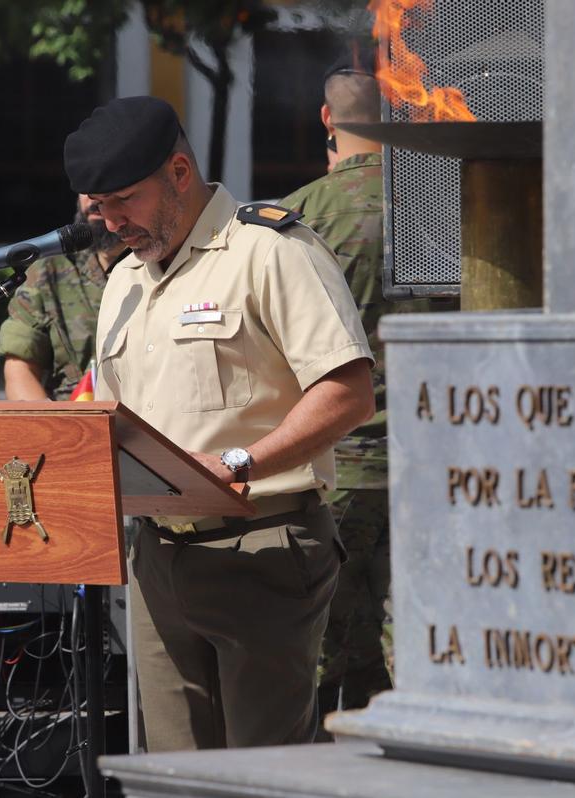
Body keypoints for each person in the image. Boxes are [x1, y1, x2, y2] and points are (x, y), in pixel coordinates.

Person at [64, 95, 375, 752]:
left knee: (264, 775)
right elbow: (113, 417)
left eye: (124, 200)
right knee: (176, 776)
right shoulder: (125, 280)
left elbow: (348, 392)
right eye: (100, 208)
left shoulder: (270, 250)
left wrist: (243, 460)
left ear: (180, 172)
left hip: (260, 548)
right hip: (157, 560)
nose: (112, 222)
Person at [280, 47, 442, 731]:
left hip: (333, 466)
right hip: (431, 461)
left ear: (327, 119)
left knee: (313, 655)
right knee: (419, 646)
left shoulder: (293, 219)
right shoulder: (443, 204)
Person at [0, 195, 124, 400]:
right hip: (72, 424)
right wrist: (54, 430)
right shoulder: (49, 271)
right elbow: (19, 370)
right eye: (84, 187)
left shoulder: (161, 265)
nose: (92, 198)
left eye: (104, 185)